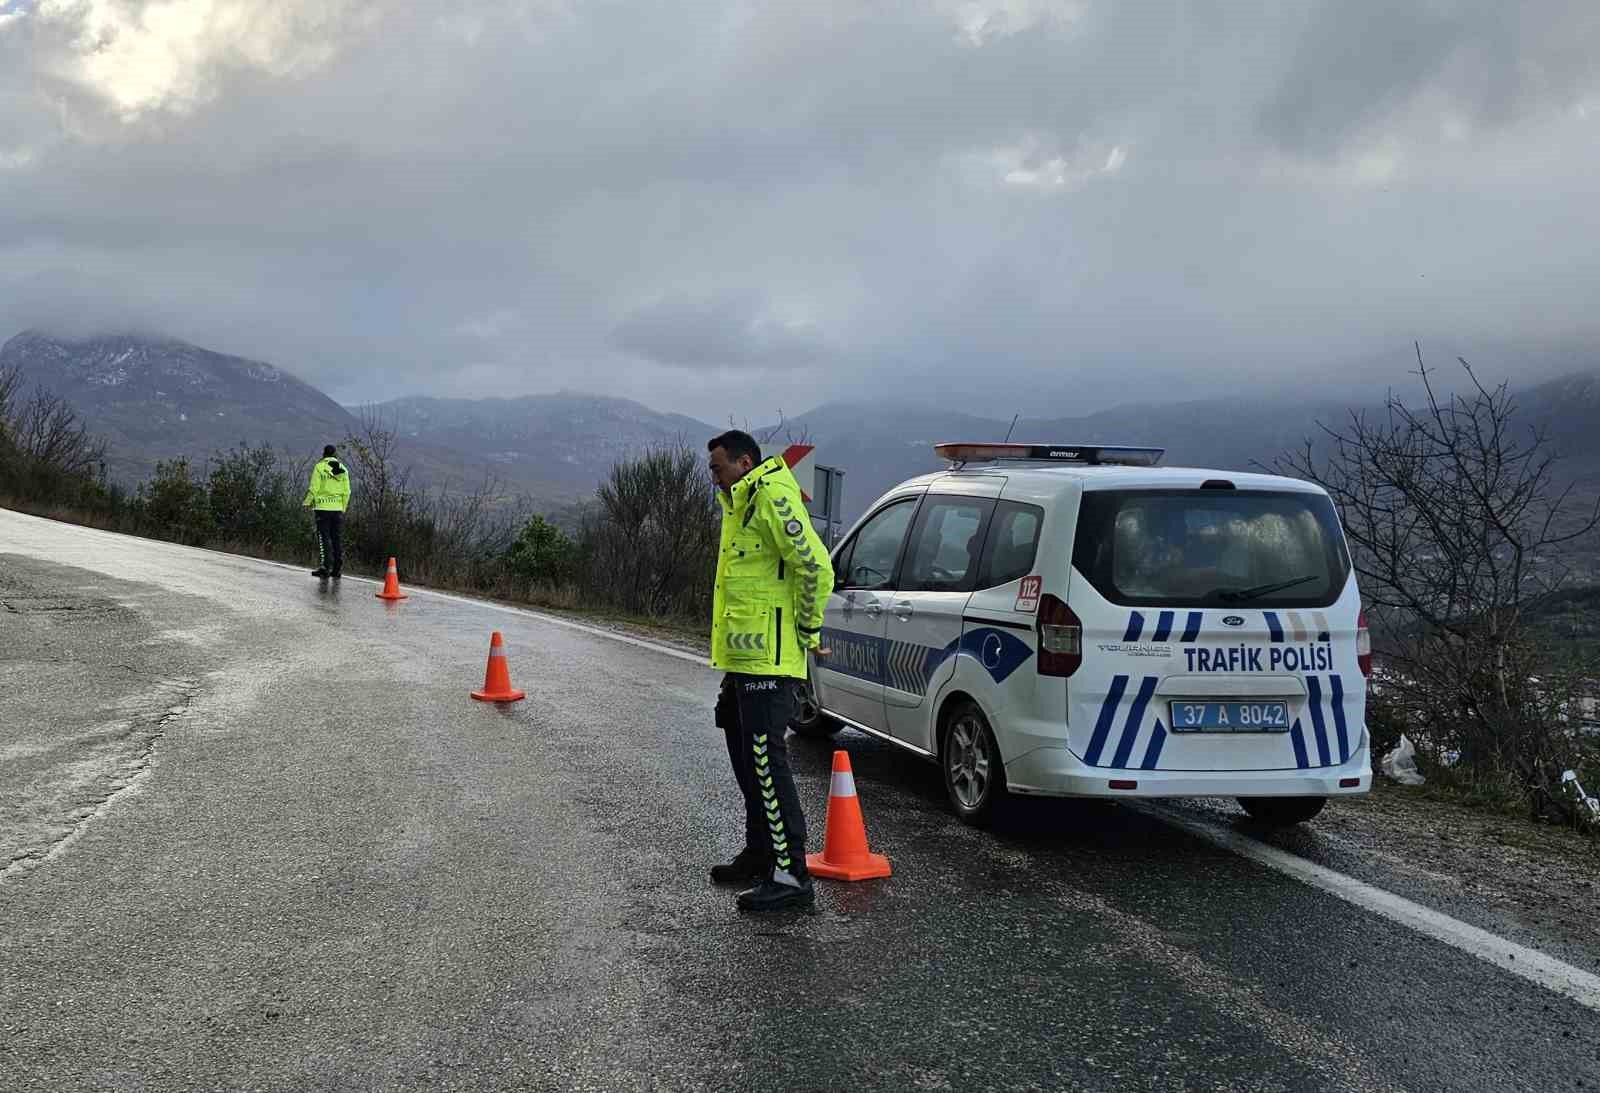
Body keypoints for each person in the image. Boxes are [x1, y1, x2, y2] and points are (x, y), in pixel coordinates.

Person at [707, 429, 834, 913]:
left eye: (718, 468)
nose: (713, 478)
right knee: (738, 736)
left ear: (743, 462)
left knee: (765, 759)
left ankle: (790, 875)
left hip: (770, 659)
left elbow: (815, 566)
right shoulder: (740, 502)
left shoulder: (772, 498)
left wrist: (806, 630)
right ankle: (761, 851)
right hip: (744, 656)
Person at [303, 444, 351, 579]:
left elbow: (314, 488)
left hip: (322, 509)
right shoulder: (342, 469)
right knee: (337, 538)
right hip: (337, 509)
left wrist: (307, 502)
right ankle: (337, 569)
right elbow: (347, 491)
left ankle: (325, 567)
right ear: (335, 454)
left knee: (323, 538)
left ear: (323, 454)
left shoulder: (319, 467)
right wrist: (343, 507)